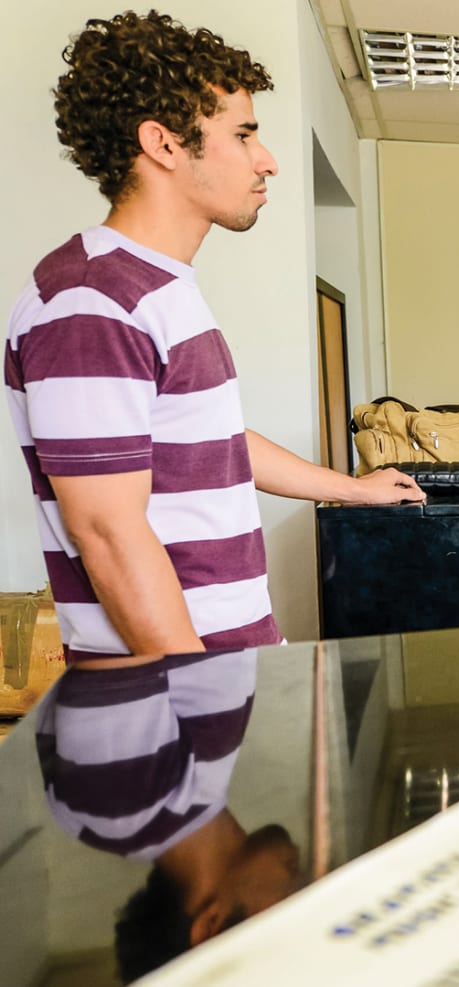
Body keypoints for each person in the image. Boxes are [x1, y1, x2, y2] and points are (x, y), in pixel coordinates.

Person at [4, 12, 421, 663]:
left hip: (223, 658)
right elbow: (108, 531)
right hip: (174, 687)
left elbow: (212, 438)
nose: (268, 160)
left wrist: (354, 487)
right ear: (164, 144)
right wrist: (201, 687)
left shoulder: (159, 290)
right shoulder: (91, 300)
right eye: (244, 135)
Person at [35, 647, 302, 982]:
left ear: (212, 927)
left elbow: (117, 613)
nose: (306, 897)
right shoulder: (182, 797)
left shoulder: (125, 804)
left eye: (286, 932)